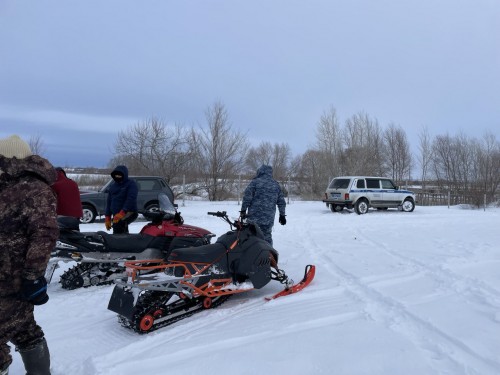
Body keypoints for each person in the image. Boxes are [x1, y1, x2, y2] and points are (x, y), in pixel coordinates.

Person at [0, 135, 59, 375]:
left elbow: (44, 234)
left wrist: (32, 276)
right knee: (24, 327)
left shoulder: (35, 190)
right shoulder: (6, 186)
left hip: (12, 278)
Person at [240, 164, 286, 246]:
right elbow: (281, 202)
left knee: (252, 236)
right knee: (267, 236)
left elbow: (247, 197)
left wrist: (243, 210)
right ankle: (269, 255)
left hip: (254, 217)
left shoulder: (255, 182)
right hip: (268, 218)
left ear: (260, 172)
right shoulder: (275, 185)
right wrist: (282, 215)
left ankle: (252, 255)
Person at [104, 165, 138, 234]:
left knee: (119, 224)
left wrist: (123, 212)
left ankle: (122, 243)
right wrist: (107, 216)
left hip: (129, 212)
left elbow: (131, 199)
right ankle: (120, 241)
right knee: (118, 226)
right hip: (116, 213)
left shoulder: (131, 184)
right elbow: (109, 202)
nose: (117, 177)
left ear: (124, 175)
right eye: (116, 176)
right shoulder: (113, 186)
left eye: (119, 176)